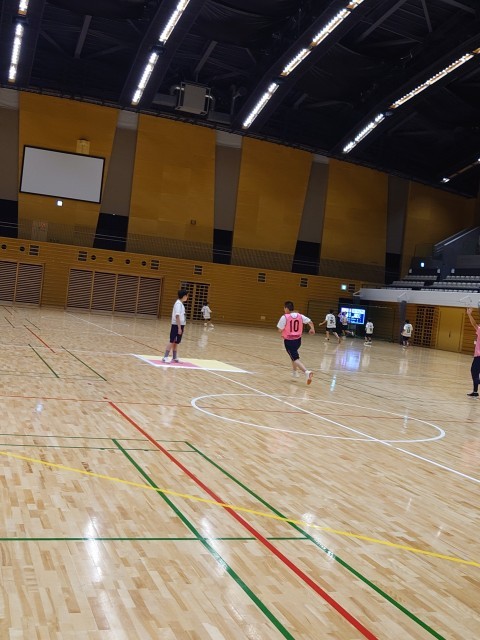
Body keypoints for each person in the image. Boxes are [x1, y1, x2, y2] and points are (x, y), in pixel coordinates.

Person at [277, 301, 315, 384]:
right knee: (293, 356)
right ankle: (294, 372)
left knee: (295, 358)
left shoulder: (284, 317)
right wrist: (312, 329)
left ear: (286, 308)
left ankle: (306, 372)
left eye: (284, 308)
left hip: (289, 341)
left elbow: (280, 329)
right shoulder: (300, 316)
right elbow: (310, 322)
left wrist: (284, 330)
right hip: (298, 340)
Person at [162, 289, 188, 363]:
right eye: (187, 295)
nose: (187, 297)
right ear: (184, 296)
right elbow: (177, 316)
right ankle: (165, 357)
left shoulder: (181, 304)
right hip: (176, 325)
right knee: (172, 340)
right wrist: (179, 328)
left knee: (176, 341)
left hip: (181, 325)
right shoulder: (178, 304)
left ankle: (174, 357)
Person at [466, 307, 480, 397]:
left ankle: (475, 391)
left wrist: (469, 314)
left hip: (479, 356)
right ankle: (475, 392)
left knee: (474, 371)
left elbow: (474, 324)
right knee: (476, 373)